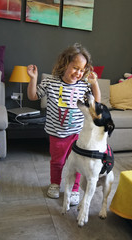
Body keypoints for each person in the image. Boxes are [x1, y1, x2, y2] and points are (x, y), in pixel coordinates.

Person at [27, 43, 101, 205]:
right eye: (75, 68)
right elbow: (33, 96)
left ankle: (74, 189)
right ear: (64, 64)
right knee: (57, 161)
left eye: (82, 70)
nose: (78, 73)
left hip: (77, 134)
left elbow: (96, 102)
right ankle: (55, 184)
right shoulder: (50, 82)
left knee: (78, 163)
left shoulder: (83, 85)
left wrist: (94, 84)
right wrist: (33, 79)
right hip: (57, 134)